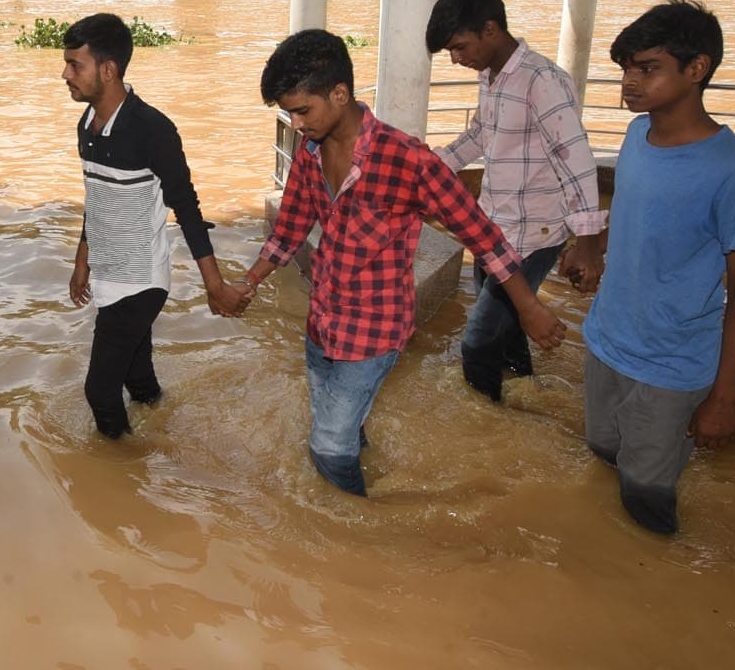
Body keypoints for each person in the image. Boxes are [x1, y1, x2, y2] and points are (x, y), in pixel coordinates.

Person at [235, 29, 566, 496]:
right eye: (287, 112)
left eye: (302, 110)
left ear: (340, 93)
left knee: (328, 445)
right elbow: (290, 227)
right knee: (336, 420)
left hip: (373, 330)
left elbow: (482, 236)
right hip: (323, 320)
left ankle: (352, 531)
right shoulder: (309, 153)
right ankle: (359, 458)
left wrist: (528, 307)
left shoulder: (408, 160)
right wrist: (247, 283)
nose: (295, 122)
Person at [583, 0, 735, 535]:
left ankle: (647, 587)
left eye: (647, 69)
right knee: (601, 453)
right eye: (625, 69)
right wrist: (593, 249)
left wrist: (724, 399)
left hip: (671, 366)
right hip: (606, 341)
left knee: (647, 496)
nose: (629, 83)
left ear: (697, 69)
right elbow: (634, 217)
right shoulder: (635, 137)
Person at [62, 13, 248, 439]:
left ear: (108, 70)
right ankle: (167, 435)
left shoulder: (152, 129)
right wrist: (82, 262)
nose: (65, 74)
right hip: (109, 273)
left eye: (76, 65)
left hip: (140, 281)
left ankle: (123, 472)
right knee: (137, 377)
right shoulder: (87, 125)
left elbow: (186, 205)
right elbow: (98, 199)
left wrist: (214, 285)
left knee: (99, 391)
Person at [425, 0, 604, 401]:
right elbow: (479, 136)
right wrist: (428, 170)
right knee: (506, 333)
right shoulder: (491, 78)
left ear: (490, 30)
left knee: (477, 343)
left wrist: (589, 243)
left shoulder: (541, 81)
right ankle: (525, 396)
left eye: (460, 47)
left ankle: (485, 426)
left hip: (534, 237)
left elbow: (576, 160)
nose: (457, 59)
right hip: (492, 229)